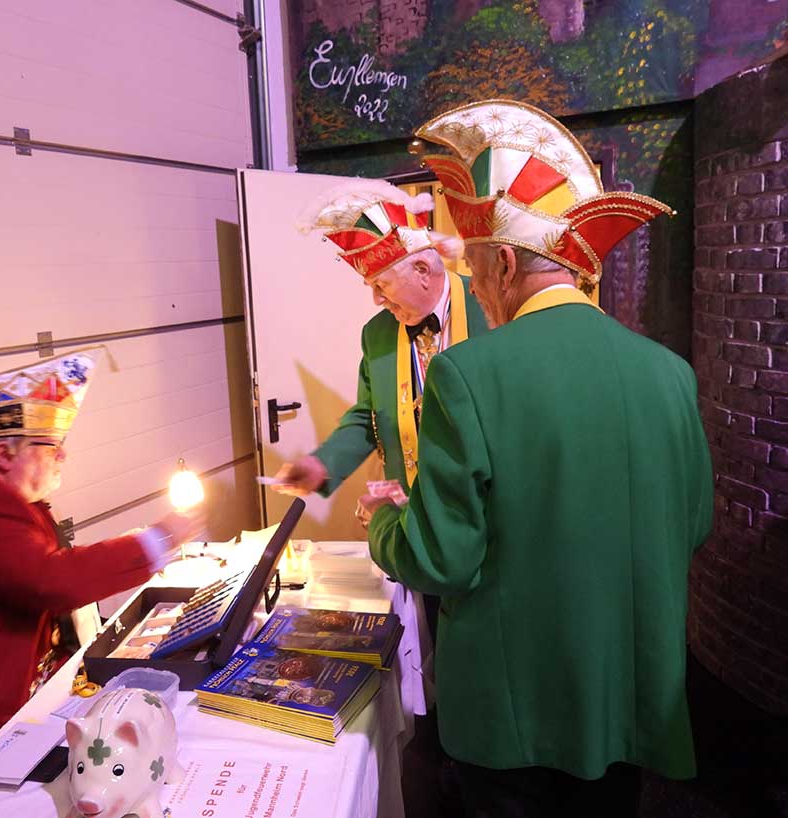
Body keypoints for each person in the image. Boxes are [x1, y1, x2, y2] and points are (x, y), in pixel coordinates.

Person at [358, 99, 714, 818]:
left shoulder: (469, 373)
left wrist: (386, 524)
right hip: (627, 692)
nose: (474, 287)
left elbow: (440, 560)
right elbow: (694, 521)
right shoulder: (671, 373)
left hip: (513, 710)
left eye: (476, 268)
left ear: (504, 262)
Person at [0, 347, 202, 789]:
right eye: (52, 445)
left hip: (21, 700)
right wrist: (156, 540)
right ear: (5, 452)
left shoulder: (2, 497)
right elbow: (53, 580)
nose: (63, 455)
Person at [274, 179, 488, 508]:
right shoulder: (376, 334)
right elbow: (368, 416)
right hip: (415, 507)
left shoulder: (490, 307)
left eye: (382, 285)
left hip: (486, 502)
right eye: (370, 286)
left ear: (422, 270)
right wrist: (322, 464)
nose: (376, 299)